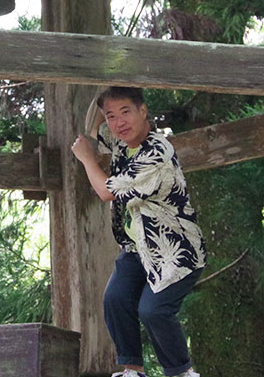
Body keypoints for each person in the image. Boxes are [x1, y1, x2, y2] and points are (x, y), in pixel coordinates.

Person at [70, 86, 205, 377]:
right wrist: (102, 90)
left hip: (175, 249)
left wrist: (86, 159)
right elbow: (93, 127)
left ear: (143, 111)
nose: (119, 122)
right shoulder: (121, 143)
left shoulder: (157, 151)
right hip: (136, 249)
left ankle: (182, 372)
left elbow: (108, 192)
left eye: (126, 112)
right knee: (115, 300)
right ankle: (133, 370)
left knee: (153, 310)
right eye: (112, 116)